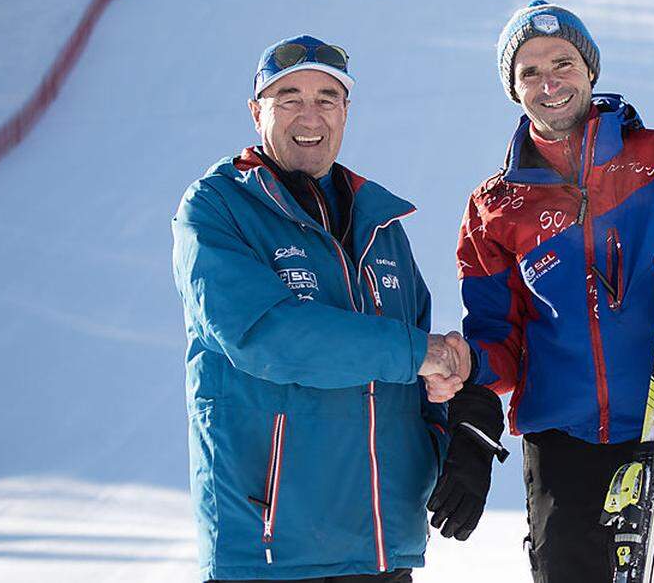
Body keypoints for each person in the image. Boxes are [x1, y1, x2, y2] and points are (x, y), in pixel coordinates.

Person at [451, 1, 654, 582]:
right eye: (528, 71)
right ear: (512, 88)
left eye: (564, 62)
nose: (549, 83)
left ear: (590, 70)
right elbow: (496, 342)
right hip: (564, 452)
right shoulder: (494, 208)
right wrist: (467, 376)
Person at [172, 34, 499, 582]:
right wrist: (422, 353)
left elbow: (417, 379)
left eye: (327, 98)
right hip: (272, 549)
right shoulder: (216, 208)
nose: (311, 114)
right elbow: (269, 337)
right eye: (289, 97)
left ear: (346, 112)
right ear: (257, 112)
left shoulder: (381, 225)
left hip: (381, 549)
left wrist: (460, 429)